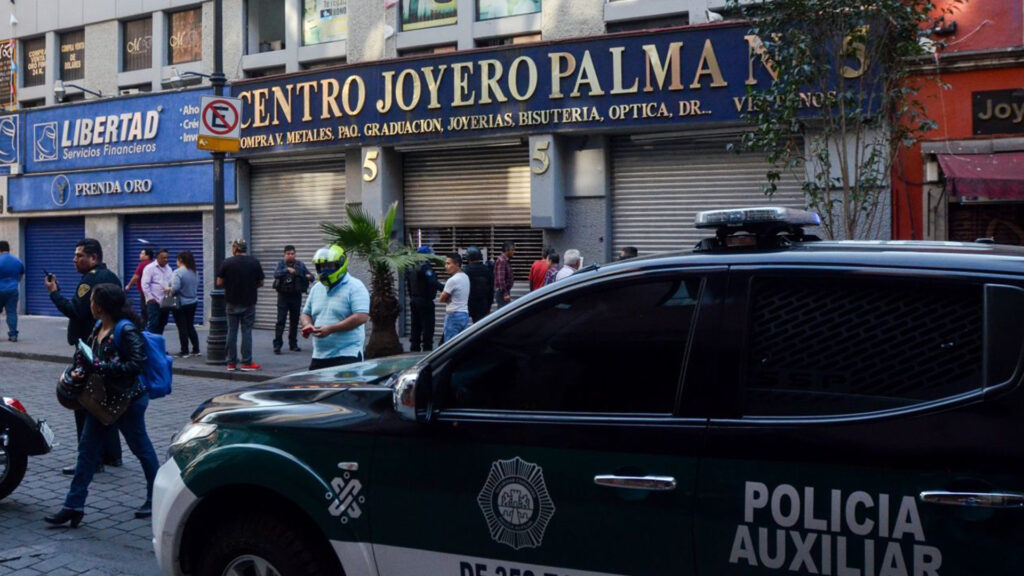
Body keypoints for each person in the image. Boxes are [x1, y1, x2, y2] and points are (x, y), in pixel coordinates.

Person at [44, 284, 160, 527]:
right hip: (102, 401)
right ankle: (73, 506)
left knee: (142, 449)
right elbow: (87, 356)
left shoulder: (125, 330)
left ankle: (157, 498)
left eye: (93, 300)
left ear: (101, 305)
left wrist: (102, 368)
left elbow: (136, 364)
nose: (90, 304)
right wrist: (79, 370)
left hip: (128, 401)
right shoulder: (98, 326)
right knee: (87, 451)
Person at [45, 238, 123, 474]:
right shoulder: (112, 276)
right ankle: (111, 455)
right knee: (105, 400)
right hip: (109, 347)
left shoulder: (89, 280)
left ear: (93, 258)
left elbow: (76, 312)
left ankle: (89, 459)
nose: (74, 259)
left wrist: (54, 293)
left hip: (89, 349)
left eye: (79, 255)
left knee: (83, 401)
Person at [300, 245, 370, 370]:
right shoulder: (317, 288)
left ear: (340, 264)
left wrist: (331, 329)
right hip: (319, 355)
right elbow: (306, 313)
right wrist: (307, 325)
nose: (324, 270)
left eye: (329, 266)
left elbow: (362, 317)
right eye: (321, 267)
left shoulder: (355, 286)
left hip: (347, 355)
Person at [217, 239, 265, 371]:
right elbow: (261, 282)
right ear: (245, 249)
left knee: (231, 331)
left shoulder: (227, 263)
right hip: (249, 301)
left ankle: (231, 363)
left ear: (234, 248)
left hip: (231, 301)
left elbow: (219, 282)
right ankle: (246, 362)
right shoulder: (254, 262)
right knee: (246, 331)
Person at [273, 245, 314, 355]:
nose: (290, 255)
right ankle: (277, 345)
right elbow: (275, 274)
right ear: (284, 254)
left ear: (295, 254)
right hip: (283, 296)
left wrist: (309, 276)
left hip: (296, 296)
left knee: (294, 322)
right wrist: (287, 270)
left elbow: (311, 276)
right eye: (288, 254)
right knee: (280, 321)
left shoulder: (300, 264)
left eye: (292, 253)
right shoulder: (281, 264)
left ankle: (293, 344)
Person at [405, 246, 443, 352]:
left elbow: (408, 285)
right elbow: (432, 282)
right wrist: (445, 289)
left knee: (415, 328)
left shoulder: (410, 267)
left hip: (414, 301)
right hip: (425, 301)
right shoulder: (425, 267)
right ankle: (427, 352)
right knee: (428, 328)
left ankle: (414, 351)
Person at [170, 250, 201, 358]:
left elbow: (175, 288)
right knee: (190, 326)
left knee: (182, 327)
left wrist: (168, 289)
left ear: (181, 260)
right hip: (193, 302)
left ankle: (184, 351)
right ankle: (196, 349)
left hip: (181, 303)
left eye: (177, 260)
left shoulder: (178, 272)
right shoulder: (195, 272)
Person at [141, 248, 173, 334]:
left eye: (167, 258)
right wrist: (150, 298)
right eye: (163, 258)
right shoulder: (150, 268)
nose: (166, 260)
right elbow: (145, 284)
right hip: (154, 301)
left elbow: (171, 283)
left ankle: (158, 343)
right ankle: (151, 345)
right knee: (153, 324)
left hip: (165, 301)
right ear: (157, 258)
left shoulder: (169, 268)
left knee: (162, 324)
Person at [440, 252, 470, 342]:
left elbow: (441, 299)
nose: (446, 266)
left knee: (450, 345)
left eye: (449, 263)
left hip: (453, 315)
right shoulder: (465, 277)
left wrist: (448, 298)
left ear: (457, 264)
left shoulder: (452, 280)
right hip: (464, 314)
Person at [0, 240, 24, 342]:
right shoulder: (18, 261)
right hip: (13, 289)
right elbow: (20, 276)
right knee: (11, 312)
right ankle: (13, 335)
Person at [463, 245, 494, 323]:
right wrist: (489, 305)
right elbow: (491, 290)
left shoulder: (466, 271)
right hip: (484, 305)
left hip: (470, 306)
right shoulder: (487, 270)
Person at [125, 247, 154, 324]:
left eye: (142, 253)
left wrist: (129, 285)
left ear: (147, 256)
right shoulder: (153, 263)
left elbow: (136, 276)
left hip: (145, 291)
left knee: (144, 309)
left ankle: (145, 325)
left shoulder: (143, 264)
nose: (140, 255)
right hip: (154, 291)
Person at [493, 240, 516, 308]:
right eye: (513, 250)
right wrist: (505, 294)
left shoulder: (505, 260)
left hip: (504, 292)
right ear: (507, 249)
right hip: (502, 293)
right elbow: (501, 279)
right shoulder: (502, 261)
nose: (514, 252)